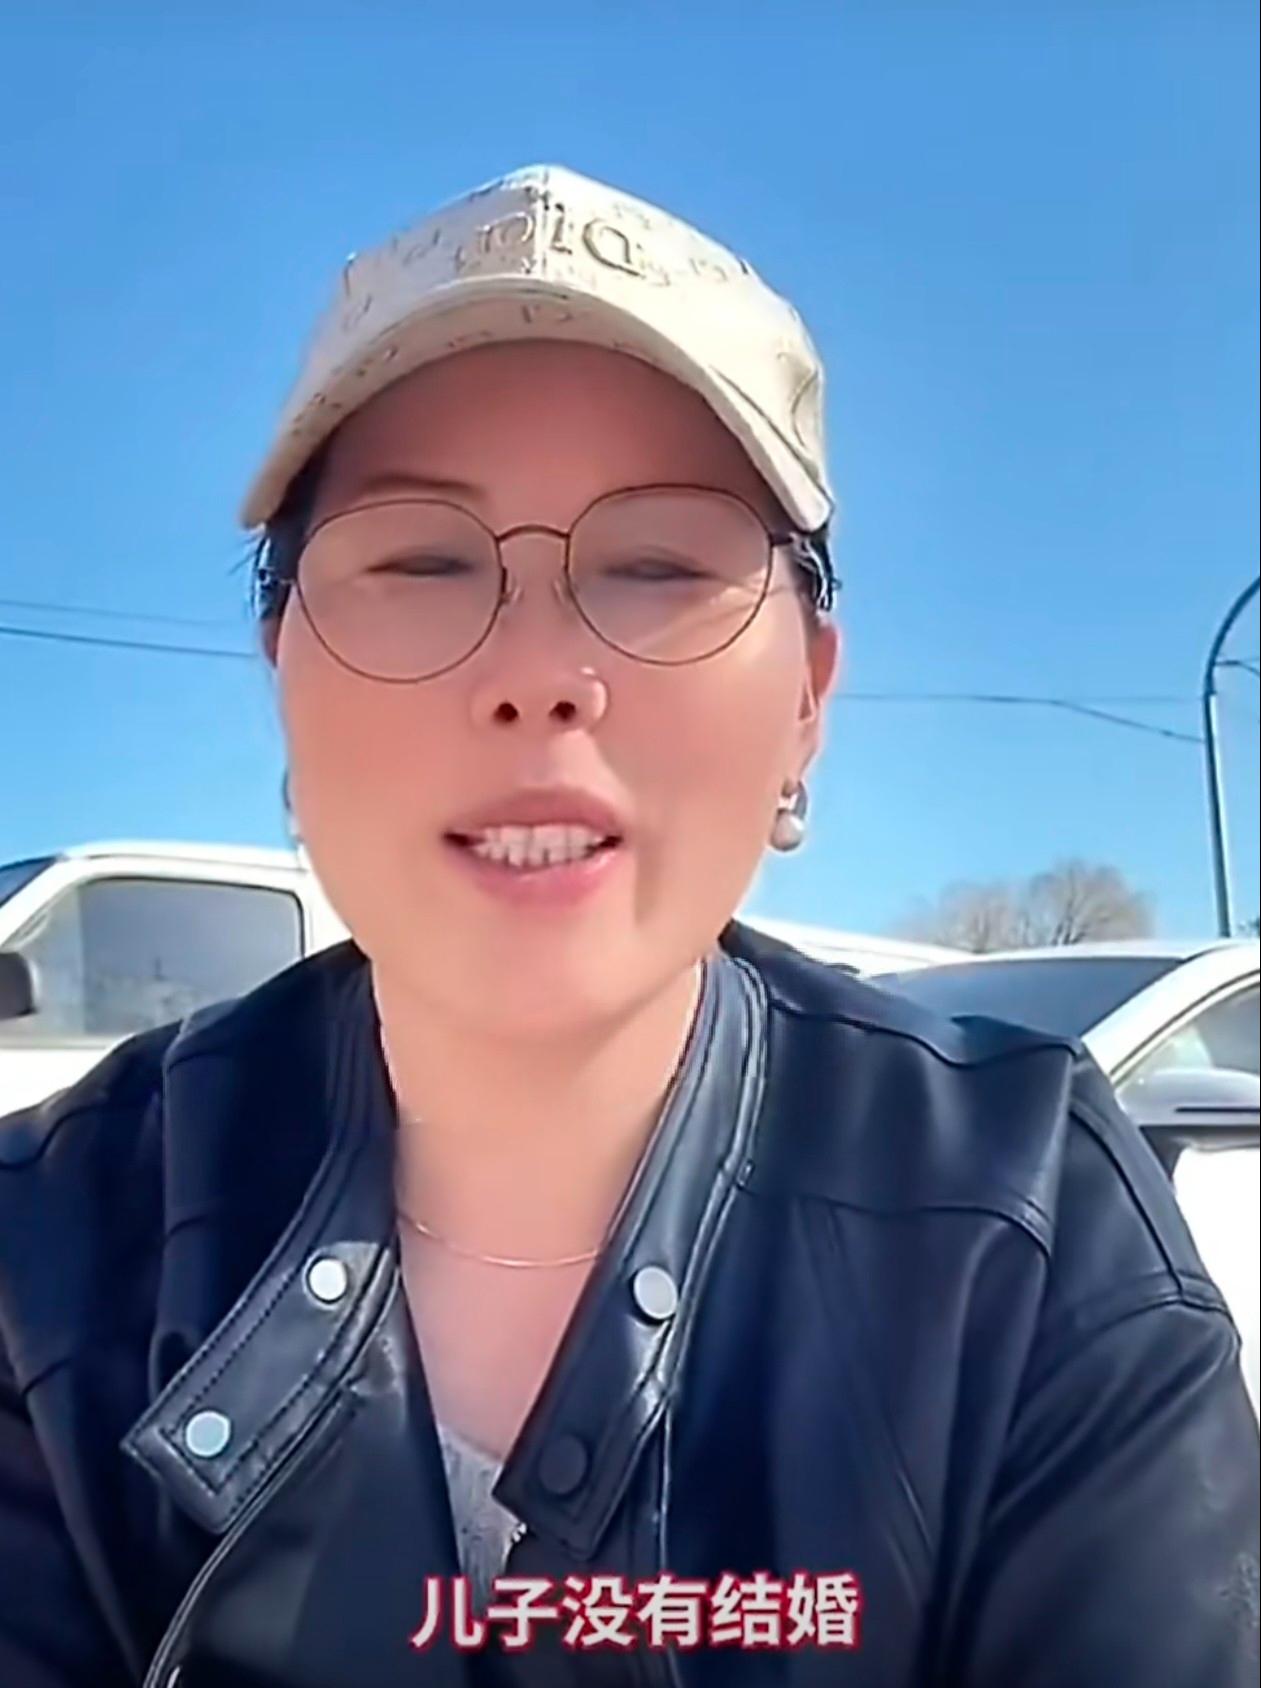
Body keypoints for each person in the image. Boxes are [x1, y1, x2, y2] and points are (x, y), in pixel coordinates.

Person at [0, 165, 1256, 1688]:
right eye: (419, 562)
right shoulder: (48, 1251)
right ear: (283, 671)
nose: (537, 674)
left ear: (807, 699)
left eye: (657, 565)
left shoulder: (1028, 1226)